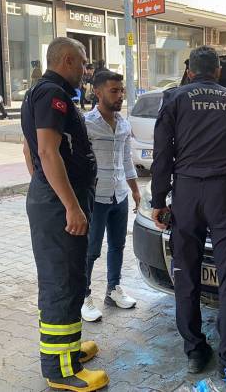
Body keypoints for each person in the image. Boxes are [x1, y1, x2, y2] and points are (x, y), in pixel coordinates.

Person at [150, 46, 226, 385]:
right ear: (217, 71)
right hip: (225, 194)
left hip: (185, 193)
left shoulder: (173, 99)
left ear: (189, 71)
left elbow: (161, 155)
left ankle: (195, 351)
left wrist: (159, 200)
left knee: (185, 272)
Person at [20, 37, 108, 392]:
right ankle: (59, 370)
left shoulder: (47, 92)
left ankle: (69, 349)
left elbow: (33, 151)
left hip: (56, 198)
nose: (86, 71)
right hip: (59, 204)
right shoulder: (51, 94)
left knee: (71, 277)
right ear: (68, 60)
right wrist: (70, 205)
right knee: (60, 281)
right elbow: (46, 150)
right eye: (84, 63)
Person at [81, 70, 140, 322]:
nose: (120, 96)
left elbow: (126, 160)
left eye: (121, 91)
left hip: (119, 195)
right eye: (114, 91)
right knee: (91, 249)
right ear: (98, 92)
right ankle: (83, 296)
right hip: (97, 197)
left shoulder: (124, 123)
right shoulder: (87, 123)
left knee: (118, 245)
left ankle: (113, 290)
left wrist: (135, 190)